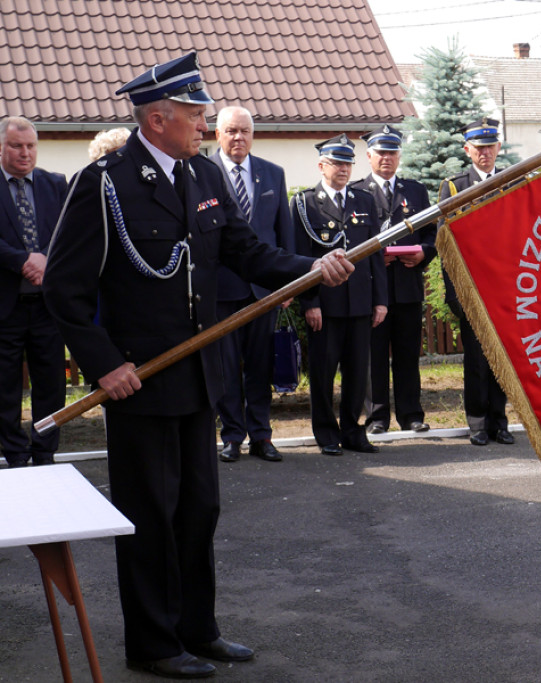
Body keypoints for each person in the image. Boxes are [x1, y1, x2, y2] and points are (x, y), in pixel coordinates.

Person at [42, 53, 355, 679]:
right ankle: (153, 644)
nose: (206, 125)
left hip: (198, 374)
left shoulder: (203, 173)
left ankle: (196, 629)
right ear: (157, 120)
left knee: (198, 510)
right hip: (140, 379)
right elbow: (63, 289)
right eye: (195, 115)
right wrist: (104, 366)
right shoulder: (106, 183)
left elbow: (246, 251)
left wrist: (310, 269)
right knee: (150, 515)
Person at [292, 134, 386, 456]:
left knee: (357, 373)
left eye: (348, 163)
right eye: (337, 163)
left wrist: (380, 300)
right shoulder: (305, 203)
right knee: (323, 373)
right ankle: (326, 434)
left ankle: (352, 431)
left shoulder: (364, 201)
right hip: (325, 305)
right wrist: (310, 302)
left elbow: (375, 254)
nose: (344, 169)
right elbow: (301, 256)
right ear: (322, 166)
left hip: (359, 302)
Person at [211, 106, 295, 463]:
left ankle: (261, 435)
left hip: (263, 291)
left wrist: (288, 284)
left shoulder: (272, 173)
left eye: (244, 131)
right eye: (231, 131)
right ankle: (232, 436)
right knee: (227, 367)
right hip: (221, 289)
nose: (238, 138)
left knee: (261, 365)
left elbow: (283, 233)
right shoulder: (203, 173)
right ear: (217, 134)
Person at [352, 125, 436, 435]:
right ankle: (377, 418)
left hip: (407, 285)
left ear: (399, 156)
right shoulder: (357, 192)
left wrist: (424, 253)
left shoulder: (415, 191)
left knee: (407, 354)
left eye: (392, 152)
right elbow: (352, 240)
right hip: (374, 288)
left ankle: (411, 415)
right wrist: (373, 258)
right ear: (369, 155)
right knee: (373, 356)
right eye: (381, 152)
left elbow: (431, 232)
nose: (386, 158)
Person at [439, 118, 514, 447]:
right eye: (479, 147)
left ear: (499, 147)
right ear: (467, 150)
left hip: (505, 290)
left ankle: (500, 421)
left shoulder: (512, 180)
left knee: (502, 360)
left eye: (490, 146)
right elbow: (446, 245)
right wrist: (454, 293)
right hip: (472, 289)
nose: (485, 153)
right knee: (476, 361)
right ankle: (478, 423)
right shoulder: (454, 187)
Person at [0, 116, 68, 469]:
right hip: (5, 307)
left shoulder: (55, 184)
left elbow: (69, 233)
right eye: (16, 146)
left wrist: (45, 260)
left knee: (51, 385)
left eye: (30, 146)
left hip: (47, 307)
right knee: (4, 388)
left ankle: (44, 454)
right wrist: (23, 259)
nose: (25, 153)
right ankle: (14, 454)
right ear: (1, 147)